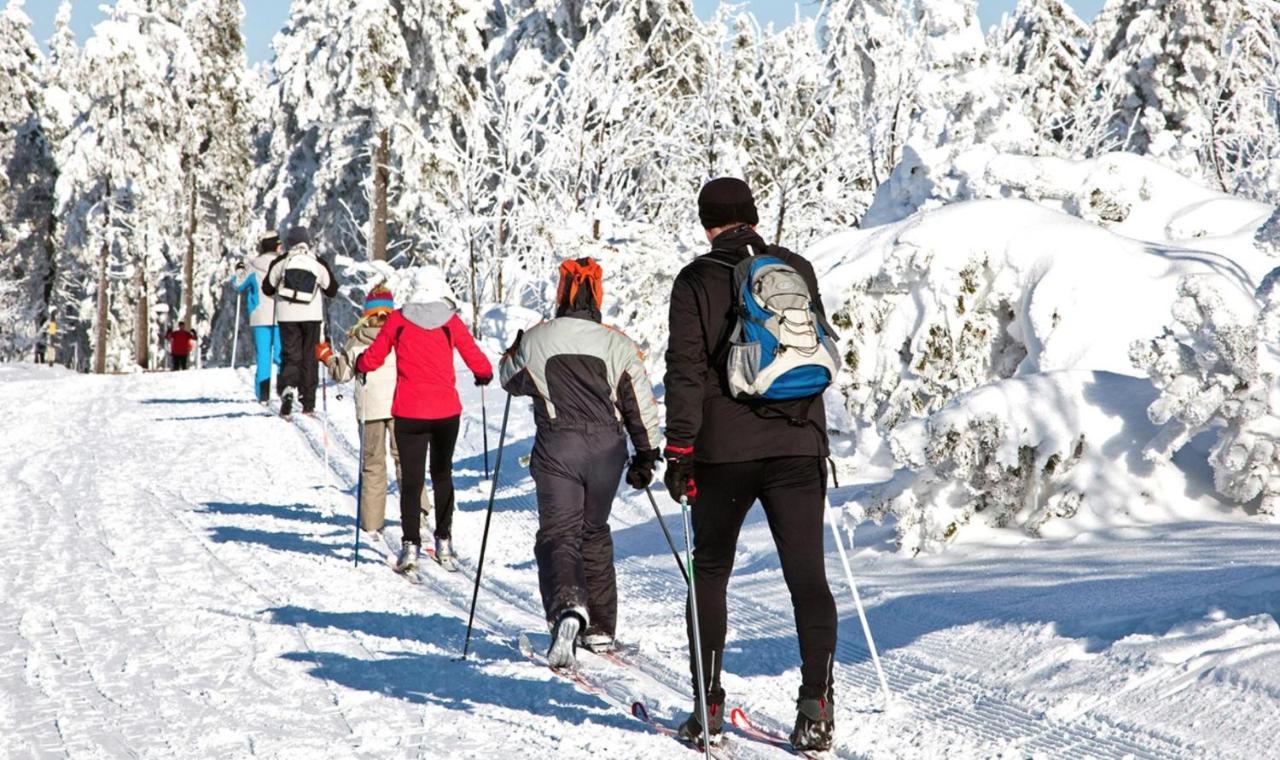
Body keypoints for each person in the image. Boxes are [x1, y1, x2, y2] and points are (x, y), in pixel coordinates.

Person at [663, 178, 838, 751]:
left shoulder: (696, 280)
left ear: (706, 222)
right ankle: (816, 711)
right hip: (799, 443)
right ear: (754, 218)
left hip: (725, 450)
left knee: (710, 572)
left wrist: (680, 451)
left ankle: (709, 707)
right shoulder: (795, 268)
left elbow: (686, 370)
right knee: (808, 579)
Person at [499, 258, 661, 669]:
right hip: (607, 450)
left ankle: (569, 609)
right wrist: (647, 454)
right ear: (597, 295)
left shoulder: (538, 339)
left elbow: (508, 378)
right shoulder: (617, 343)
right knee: (594, 532)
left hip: (559, 448)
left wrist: (515, 347)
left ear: (561, 293)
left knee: (559, 534)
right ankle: (601, 628)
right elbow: (639, 404)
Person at [355, 269, 492, 573]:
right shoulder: (451, 320)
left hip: (409, 413)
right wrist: (484, 374)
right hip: (446, 413)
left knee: (412, 481)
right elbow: (476, 358)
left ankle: (410, 548)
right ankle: (443, 541)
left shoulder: (398, 320)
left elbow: (374, 358)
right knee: (443, 475)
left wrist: (360, 364)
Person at [316, 283, 428, 538]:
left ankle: (372, 521)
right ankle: (418, 512)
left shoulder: (356, 339)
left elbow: (342, 374)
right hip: (403, 407)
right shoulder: (403, 335)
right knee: (407, 461)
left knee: (373, 465)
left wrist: (326, 357)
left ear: (366, 313)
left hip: (370, 410)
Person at [262, 226, 337, 417]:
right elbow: (331, 289)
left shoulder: (282, 261)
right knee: (309, 357)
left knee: (290, 355)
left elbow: (267, 288)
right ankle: (308, 402)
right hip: (312, 316)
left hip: (287, 317)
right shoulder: (316, 261)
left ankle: (288, 389)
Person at [233, 232, 284, 402]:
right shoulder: (283, 264)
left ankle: (263, 394)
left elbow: (238, 284)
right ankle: (285, 390)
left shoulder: (253, 266)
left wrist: (239, 270)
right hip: (281, 314)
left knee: (263, 356)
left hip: (260, 315)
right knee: (281, 354)